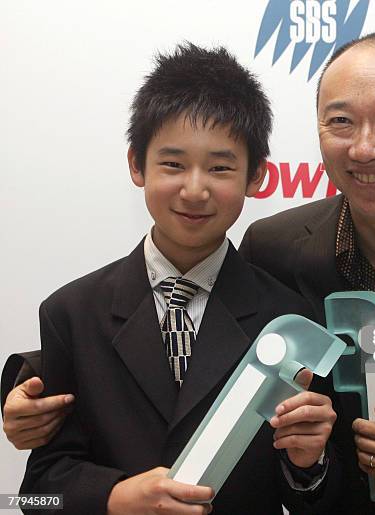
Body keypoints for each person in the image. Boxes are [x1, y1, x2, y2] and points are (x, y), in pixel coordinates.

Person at [4, 32, 375, 514]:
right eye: (341, 122)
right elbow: (176, 335)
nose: (366, 147)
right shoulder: (281, 253)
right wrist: (25, 379)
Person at [6, 42, 340, 515]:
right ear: (136, 165)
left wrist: (308, 462)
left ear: (256, 177)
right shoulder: (70, 313)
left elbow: (307, 497)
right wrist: (117, 497)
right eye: (173, 164)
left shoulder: (288, 318)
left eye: (221, 167)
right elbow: (39, 491)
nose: (195, 188)